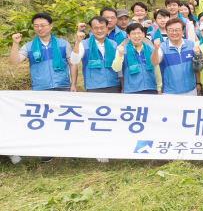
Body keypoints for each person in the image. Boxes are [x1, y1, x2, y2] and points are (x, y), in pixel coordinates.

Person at [9, 13, 76, 164]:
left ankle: (71, 150)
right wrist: (15, 44)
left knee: (66, 119)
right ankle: (48, 151)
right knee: (46, 121)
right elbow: (15, 62)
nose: (40, 28)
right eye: (36, 26)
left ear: (51, 26)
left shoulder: (63, 43)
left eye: (43, 25)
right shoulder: (29, 46)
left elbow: (73, 64)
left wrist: (73, 84)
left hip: (62, 86)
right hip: (41, 89)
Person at [71, 17, 122, 93]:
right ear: (91, 29)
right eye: (96, 28)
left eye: (102, 28)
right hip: (94, 87)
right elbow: (74, 61)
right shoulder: (84, 44)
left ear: (107, 28)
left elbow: (119, 66)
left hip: (113, 85)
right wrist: (77, 42)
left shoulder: (113, 44)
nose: (99, 31)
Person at [150, 18, 199, 95]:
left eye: (177, 30)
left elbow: (197, 67)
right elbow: (154, 62)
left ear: (183, 31)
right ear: (166, 31)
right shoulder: (162, 47)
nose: (174, 32)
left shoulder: (192, 45)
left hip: (191, 90)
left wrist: (198, 83)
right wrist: (155, 49)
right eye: (171, 30)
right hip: (170, 92)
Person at [112, 23, 159, 94]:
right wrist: (120, 55)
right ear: (128, 36)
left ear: (143, 34)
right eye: (133, 34)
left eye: (139, 33)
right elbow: (116, 69)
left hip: (151, 88)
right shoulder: (122, 49)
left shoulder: (151, 49)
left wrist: (159, 88)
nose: (137, 36)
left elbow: (157, 69)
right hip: (131, 90)